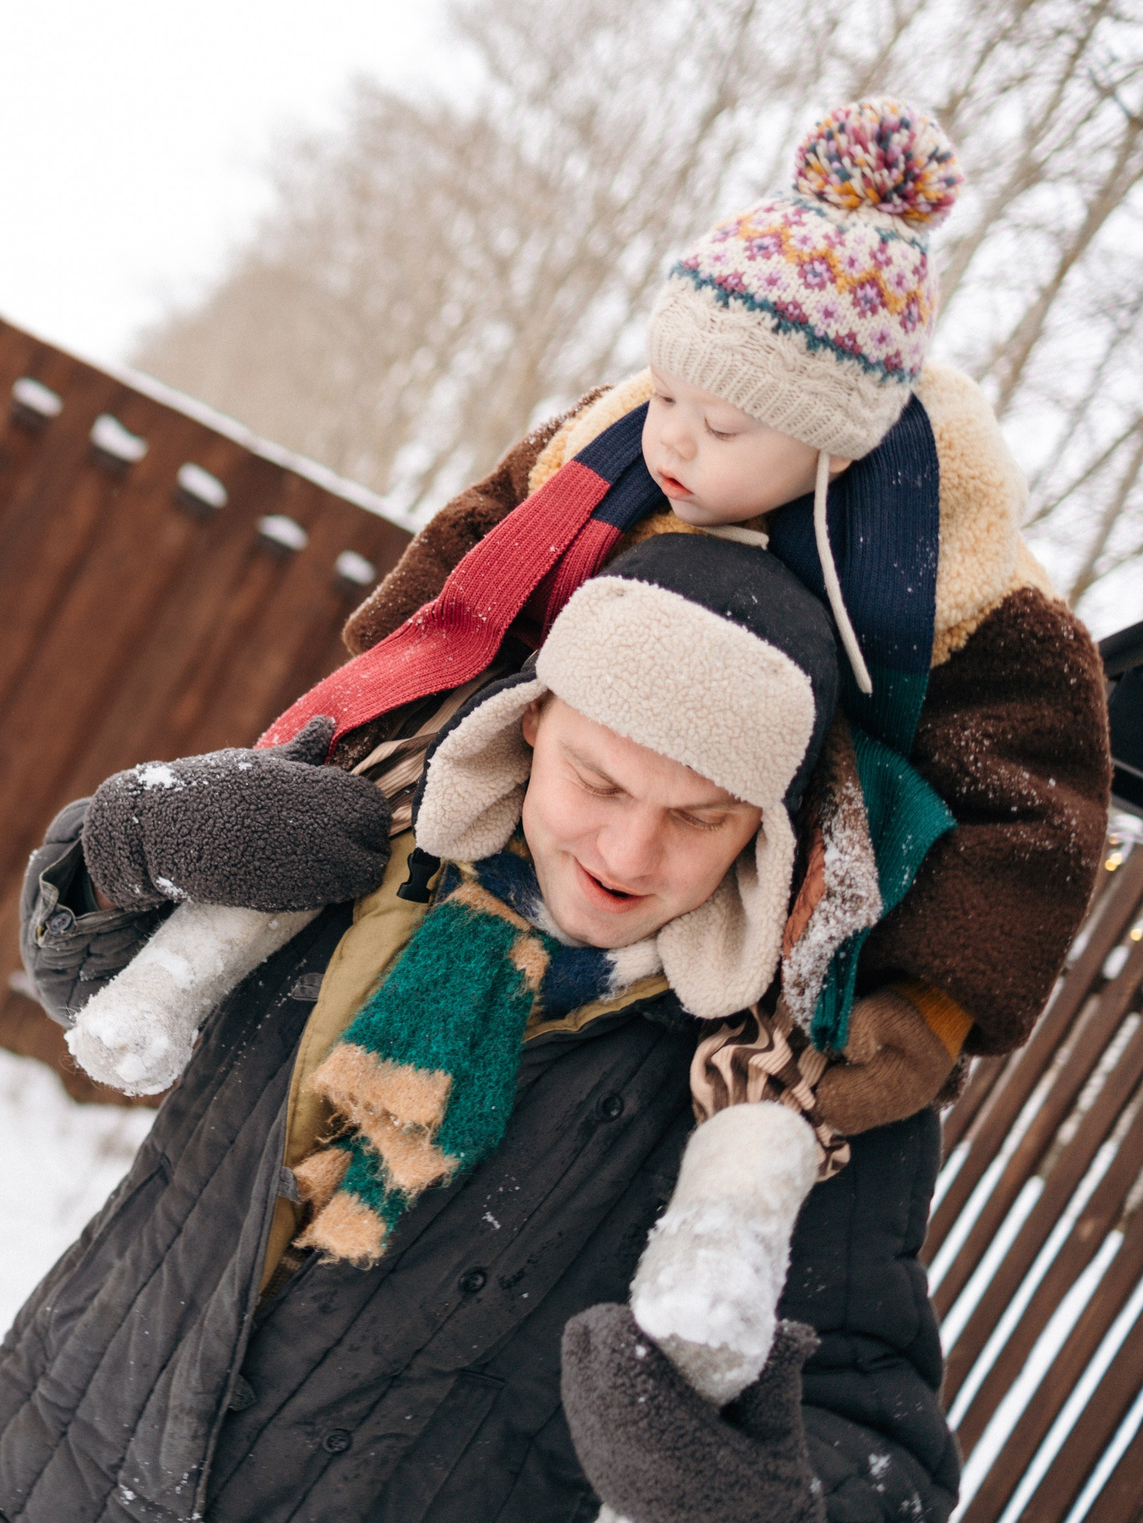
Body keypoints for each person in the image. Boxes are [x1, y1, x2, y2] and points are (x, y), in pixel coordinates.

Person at [0, 534, 956, 1523]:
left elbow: (875, 1426)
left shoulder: (787, 1079)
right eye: (599, 781)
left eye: (699, 818)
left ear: (767, 831)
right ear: (533, 723)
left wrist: (750, 1497)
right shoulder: (358, 851)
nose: (630, 853)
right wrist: (118, 846)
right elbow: (85, 981)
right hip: (58, 1461)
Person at [288, 97, 1112, 1130]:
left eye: (718, 424)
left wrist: (928, 1007)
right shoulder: (611, 453)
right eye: (665, 394)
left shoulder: (956, 580)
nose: (671, 442)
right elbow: (474, 559)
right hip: (514, 840)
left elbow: (1031, 806)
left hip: (738, 950)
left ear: (833, 441)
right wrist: (371, 719)